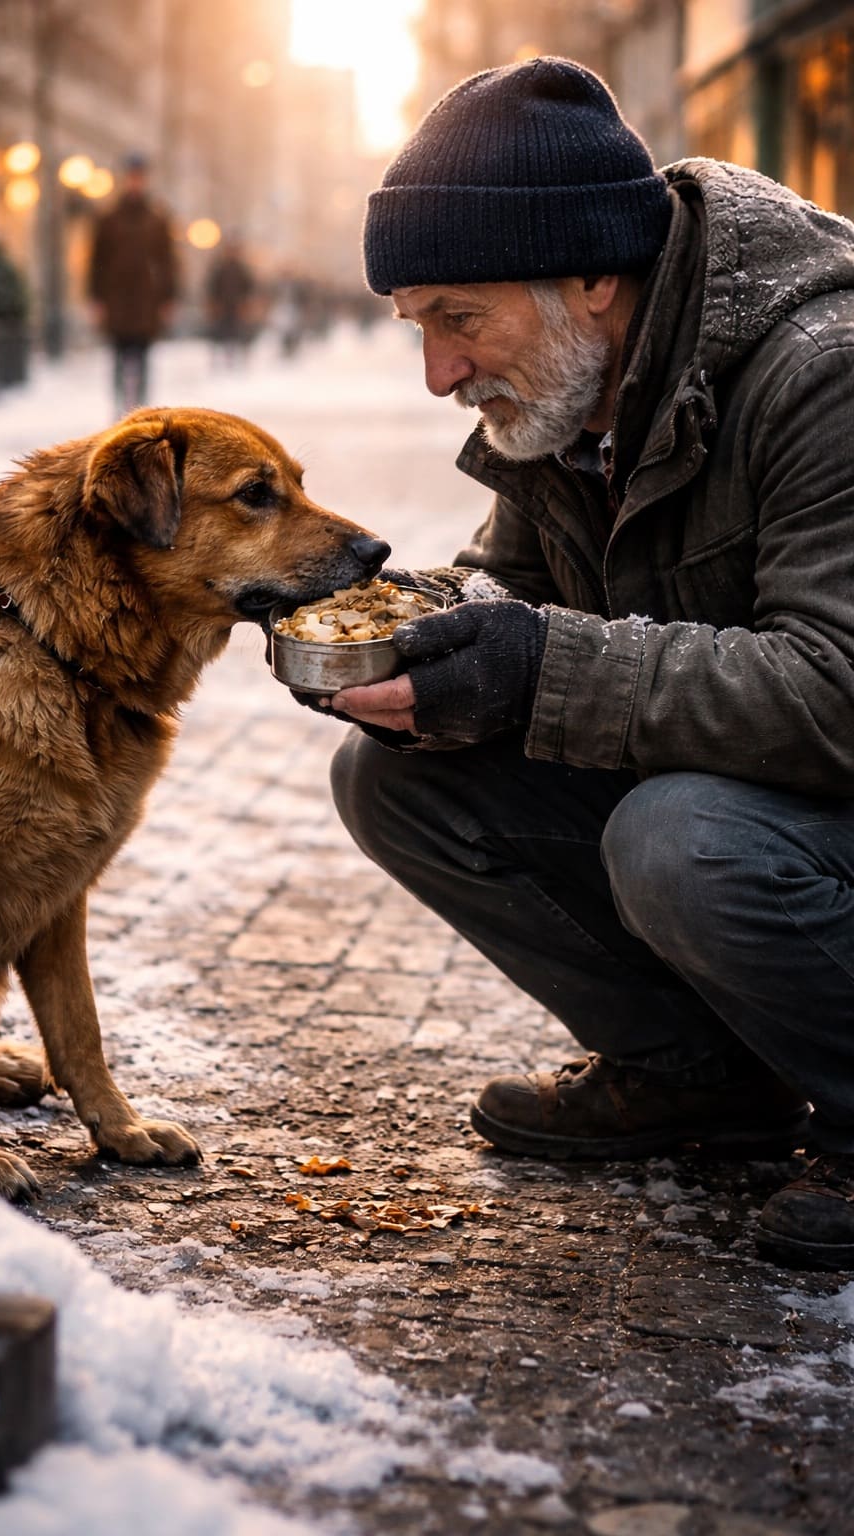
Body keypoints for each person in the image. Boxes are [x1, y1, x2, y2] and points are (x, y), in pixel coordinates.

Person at [313, 57, 854, 1272]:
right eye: (420, 327)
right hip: (778, 804)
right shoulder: (569, 388)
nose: (440, 373)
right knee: (392, 775)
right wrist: (419, 645)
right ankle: (696, 1078)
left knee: (679, 837)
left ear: (593, 277)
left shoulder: (825, 368)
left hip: (813, 798)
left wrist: (533, 665)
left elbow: (837, 691)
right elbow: (519, 597)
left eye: (460, 318)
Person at [87, 153, 180, 414]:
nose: (135, 183)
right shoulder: (109, 218)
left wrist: (168, 298)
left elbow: (168, 262)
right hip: (116, 299)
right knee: (117, 356)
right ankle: (118, 407)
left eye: (139, 178)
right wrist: (96, 298)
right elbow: (97, 261)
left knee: (143, 357)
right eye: (131, 177)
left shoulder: (157, 220)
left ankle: (140, 409)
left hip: (145, 301)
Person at [204, 237, 258, 368]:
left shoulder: (243, 269)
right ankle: (220, 359)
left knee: (238, 332)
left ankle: (237, 358)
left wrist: (246, 303)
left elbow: (249, 287)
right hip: (222, 306)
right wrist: (213, 303)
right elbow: (211, 287)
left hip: (237, 306)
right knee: (220, 332)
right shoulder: (219, 269)